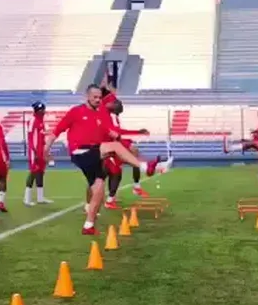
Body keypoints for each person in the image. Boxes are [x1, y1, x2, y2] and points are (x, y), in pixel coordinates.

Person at [43, 84, 171, 235]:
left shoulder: (100, 115)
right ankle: (145, 167)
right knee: (115, 148)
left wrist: (127, 135)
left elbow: (111, 132)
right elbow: (56, 131)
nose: (98, 100)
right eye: (95, 97)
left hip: (94, 153)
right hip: (80, 151)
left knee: (98, 189)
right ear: (87, 97)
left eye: (99, 98)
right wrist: (46, 150)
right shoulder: (76, 111)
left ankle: (88, 226)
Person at [101, 91, 149, 210]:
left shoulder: (113, 116)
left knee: (115, 171)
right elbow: (114, 133)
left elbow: (118, 132)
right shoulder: (104, 115)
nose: (118, 104)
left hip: (113, 145)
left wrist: (136, 133)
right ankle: (102, 201)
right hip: (106, 147)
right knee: (107, 174)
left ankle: (131, 189)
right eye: (114, 102)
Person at [24, 101, 52, 206]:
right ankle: (27, 198)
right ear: (38, 110)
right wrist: (34, 151)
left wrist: (45, 150)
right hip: (34, 151)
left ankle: (40, 198)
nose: (44, 112)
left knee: (40, 172)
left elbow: (41, 136)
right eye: (43, 110)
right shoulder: (33, 120)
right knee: (33, 172)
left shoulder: (41, 121)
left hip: (41, 150)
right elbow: (31, 137)